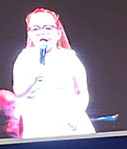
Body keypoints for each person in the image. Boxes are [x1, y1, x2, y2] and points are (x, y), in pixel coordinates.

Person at [13, 8, 94, 138]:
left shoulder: (69, 58)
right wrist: (33, 79)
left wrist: (76, 114)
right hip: (36, 123)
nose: (42, 33)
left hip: (69, 122)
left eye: (47, 28)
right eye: (36, 29)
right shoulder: (24, 58)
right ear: (30, 34)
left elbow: (82, 93)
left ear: (57, 33)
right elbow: (18, 93)